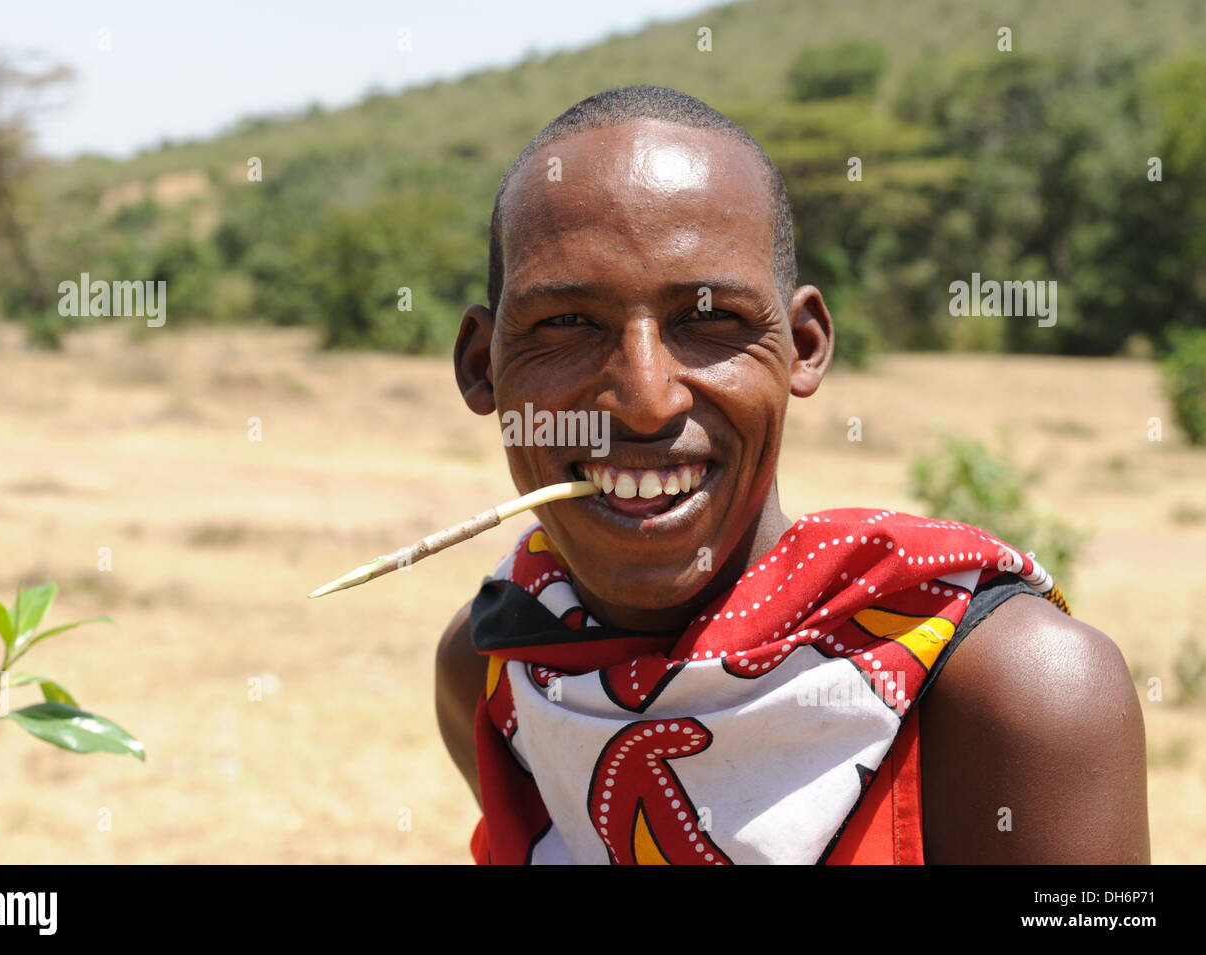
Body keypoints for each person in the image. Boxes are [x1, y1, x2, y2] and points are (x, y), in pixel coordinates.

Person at [436, 85, 1149, 864]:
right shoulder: (502, 668)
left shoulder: (1016, 693)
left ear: (803, 347)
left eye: (710, 321)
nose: (644, 400)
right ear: (482, 367)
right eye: (568, 324)